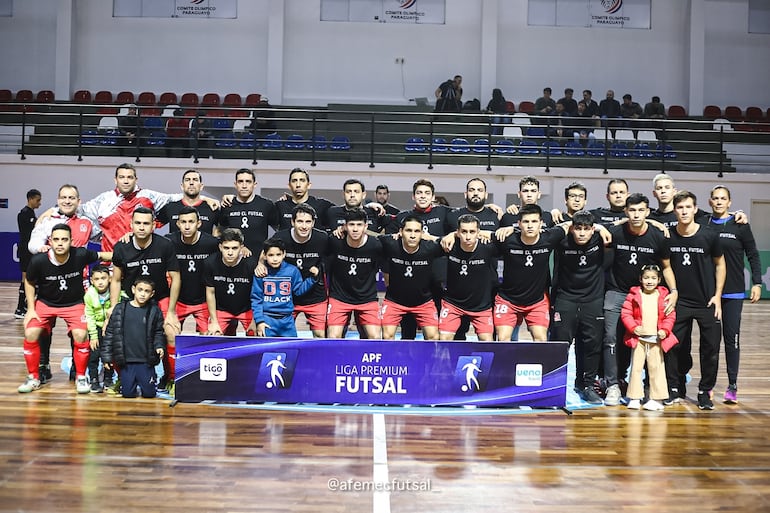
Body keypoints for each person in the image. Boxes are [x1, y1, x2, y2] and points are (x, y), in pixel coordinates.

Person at [602, 193, 677, 406]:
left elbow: (667, 266)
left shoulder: (658, 236)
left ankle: (645, 386)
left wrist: (674, 290)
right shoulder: (615, 232)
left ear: (647, 211)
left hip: (646, 296)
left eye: (640, 210)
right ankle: (614, 386)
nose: (636, 214)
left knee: (647, 341)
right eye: (632, 210)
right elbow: (592, 228)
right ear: (626, 212)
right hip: (616, 292)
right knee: (610, 338)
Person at [17, 223, 111, 394]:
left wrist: (129, 251)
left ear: (71, 241)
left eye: (64, 240)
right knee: (31, 332)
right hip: (46, 303)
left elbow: (105, 254)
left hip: (74, 303)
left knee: (81, 334)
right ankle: (33, 377)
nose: (60, 243)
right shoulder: (38, 260)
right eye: (56, 240)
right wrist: (31, 309)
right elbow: (29, 282)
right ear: (50, 241)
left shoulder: (80, 254)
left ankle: (81, 377)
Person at [664, 190, 725, 410]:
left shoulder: (709, 235)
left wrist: (717, 295)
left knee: (710, 349)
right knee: (673, 347)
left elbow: (720, 264)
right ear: (674, 210)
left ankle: (704, 391)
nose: (684, 211)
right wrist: (673, 291)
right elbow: (666, 265)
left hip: (706, 302)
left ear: (695, 209)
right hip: (680, 301)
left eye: (688, 207)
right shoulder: (668, 235)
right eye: (679, 207)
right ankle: (673, 388)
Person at [28, 184, 93, 383]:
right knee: (43, 328)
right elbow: (32, 245)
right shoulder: (48, 221)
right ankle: (43, 363)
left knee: (79, 330)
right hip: (52, 281)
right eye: (63, 197)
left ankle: (77, 366)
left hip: (78, 282)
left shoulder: (87, 222)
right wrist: (44, 248)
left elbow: (105, 237)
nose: (67, 201)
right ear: (57, 200)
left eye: (71, 198)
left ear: (78, 201)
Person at [110, 206, 181, 390]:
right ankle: (122, 377)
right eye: (138, 223)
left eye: (146, 224)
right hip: (131, 299)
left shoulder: (165, 245)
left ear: (154, 226)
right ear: (131, 225)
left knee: (171, 333)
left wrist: (172, 311)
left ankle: (171, 378)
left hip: (160, 298)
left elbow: (176, 277)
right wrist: (112, 307)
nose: (142, 227)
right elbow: (116, 280)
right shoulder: (121, 247)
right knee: (116, 334)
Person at [77, 162, 217, 253]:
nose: (126, 181)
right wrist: (55, 211)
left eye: (130, 177)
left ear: (136, 180)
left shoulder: (149, 196)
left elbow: (179, 197)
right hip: (110, 262)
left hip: (143, 258)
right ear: (116, 179)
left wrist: (205, 198)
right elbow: (78, 211)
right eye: (122, 177)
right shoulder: (103, 200)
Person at [706, 185, 762, 403]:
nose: (719, 202)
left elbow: (753, 255)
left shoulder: (740, 225)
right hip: (710, 293)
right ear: (710, 201)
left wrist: (756, 283)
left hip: (734, 293)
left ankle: (732, 386)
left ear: (729, 202)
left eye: (723, 199)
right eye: (715, 198)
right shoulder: (704, 223)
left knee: (732, 340)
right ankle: (707, 385)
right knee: (710, 342)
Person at [550, 210, 606, 405]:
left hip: (593, 299)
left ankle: (586, 385)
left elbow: (631, 223)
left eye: (587, 229)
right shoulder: (562, 241)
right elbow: (539, 228)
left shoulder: (601, 239)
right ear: (572, 228)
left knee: (590, 345)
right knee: (560, 343)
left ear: (593, 230)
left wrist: (600, 227)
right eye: (578, 229)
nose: (582, 233)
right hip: (566, 298)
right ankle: (554, 386)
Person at [493, 204, 569, 342]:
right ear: (519, 223)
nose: (530, 225)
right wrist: (452, 235)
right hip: (508, 300)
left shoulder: (550, 237)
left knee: (541, 339)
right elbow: (481, 233)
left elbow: (569, 225)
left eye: (534, 222)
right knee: (503, 339)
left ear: (541, 223)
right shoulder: (507, 239)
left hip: (536, 302)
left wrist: (599, 228)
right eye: (526, 222)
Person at [621, 264, 678, 411]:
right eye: (646, 278)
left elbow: (670, 316)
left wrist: (665, 330)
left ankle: (657, 399)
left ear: (659, 280)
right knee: (636, 369)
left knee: (657, 368)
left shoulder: (664, 296)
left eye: (653, 278)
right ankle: (634, 397)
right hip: (639, 340)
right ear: (640, 279)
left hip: (656, 340)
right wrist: (633, 328)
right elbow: (626, 314)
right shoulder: (633, 295)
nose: (649, 281)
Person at [270, 204, 330, 337]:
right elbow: (265, 254)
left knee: (320, 335)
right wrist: (260, 265)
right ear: (292, 222)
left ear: (313, 222)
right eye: (300, 221)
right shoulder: (280, 237)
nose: (304, 226)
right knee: (282, 336)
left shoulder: (323, 238)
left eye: (308, 222)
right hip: (287, 297)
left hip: (316, 296)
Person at [379, 216, 443, 340]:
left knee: (433, 337)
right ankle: (393, 360)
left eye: (417, 231)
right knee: (387, 336)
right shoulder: (390, 243)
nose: (412, 235)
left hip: (423, 302)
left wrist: (433, 238)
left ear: (422, 233)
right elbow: (366, 237)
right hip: (394, 301)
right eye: (408, 231)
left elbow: (452, 243)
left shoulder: (430, 247)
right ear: (401, 231)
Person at [101, 277, 166, 399]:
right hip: (127, 362)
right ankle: (124, 381)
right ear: (133, 289)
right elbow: (110, 333)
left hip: (146, 361)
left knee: (149, 394)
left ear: (152, 294)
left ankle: (148, 380)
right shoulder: (120, 309)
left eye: (147, 291)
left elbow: (158, 332)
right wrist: (106, 357)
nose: (143, 294)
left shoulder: (154, 311)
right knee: (128, 394)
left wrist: (159, 346)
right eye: (140, 290)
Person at [325, 208, 383, 339]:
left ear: (366, 226)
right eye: (351, 225)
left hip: (367, 298)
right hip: (340, 297)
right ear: (345, 226)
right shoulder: (335, 241)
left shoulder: (376, 245)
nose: (355, 229)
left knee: (375, 337)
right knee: (333, 337)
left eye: (359, 225)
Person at [439, 214, 497, 341]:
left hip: (481, 306)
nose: (468, 236)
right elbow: (427, 239)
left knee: (487, 342)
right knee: (443, 340)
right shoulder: (449, 245)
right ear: (458, 232)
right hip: (453, 304)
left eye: (472, 232)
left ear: (478, 233)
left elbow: (512, 240)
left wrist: (508, 230)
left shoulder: (488, 247)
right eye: (464, 232)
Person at [166, 206, 220, 335]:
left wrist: (244, 249)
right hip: (178, 300)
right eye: (183, 222)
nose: (187, 226)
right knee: (170, 332)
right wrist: (130, 235)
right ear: (178, 224)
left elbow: (230, 248)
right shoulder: (169, 241)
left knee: (210, 337)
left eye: (191, 222)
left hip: (203, 301)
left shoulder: (211, 243)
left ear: (199, 223)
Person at [251, 238, 319, 337]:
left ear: (284, 254)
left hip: (287, 321)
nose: (275, 259)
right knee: (268, 351)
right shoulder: (261, 272)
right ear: (264, 256)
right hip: (267, 320)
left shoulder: (292, 271)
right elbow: (256, 299)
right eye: (271, 255)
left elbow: (298, 291)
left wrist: (312, 279)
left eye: (278, 254)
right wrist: (259, 321)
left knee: (291, 349)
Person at [204, 228, 259, 336]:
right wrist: (214, 322)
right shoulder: (210, 263)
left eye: (234, 248)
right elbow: (210, 292)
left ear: (241, 248)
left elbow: (258, 295)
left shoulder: (251, 264)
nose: (230, 252)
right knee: (213, 335)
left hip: (246, 310)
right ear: (220, 247)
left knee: (256, 334)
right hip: (222, 309)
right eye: (226, 248)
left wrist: (254, 320)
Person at [218, 168, 279, 254]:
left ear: (255, 184)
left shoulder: (266, 205)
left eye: (248, 181)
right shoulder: (227, 205)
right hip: (234, 259)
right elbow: (220, 231)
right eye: (240, 181)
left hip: (259, 261)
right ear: (235, 184)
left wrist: (271, 248)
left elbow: (278, 229)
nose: (244, 185)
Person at [156, 169, 221, 235]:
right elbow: (152, 225)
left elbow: (223, 228)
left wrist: (214, 240)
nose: (191, 183)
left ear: (201, 186)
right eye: (187, 180)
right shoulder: (170, 207)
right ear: (182, 186)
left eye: (195, 180)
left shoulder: (212, 208)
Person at [84, 265, 114, 393]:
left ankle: (108, 379)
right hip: (96, 328)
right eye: (96, 279)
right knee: (94, 355)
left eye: (103, 278)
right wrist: (93, 335)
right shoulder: (89, 295)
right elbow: (89, 316)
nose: (100, 282)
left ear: (110, 279)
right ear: (91, 280)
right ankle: (94, 379)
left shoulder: (116, 292)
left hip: (111, 328)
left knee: (110, 354)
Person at [15, 188, 41, 319]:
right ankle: (20, 308)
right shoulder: (24, 214)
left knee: (32, 279)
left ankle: (25, 305)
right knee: (25, 279)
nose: (39, 203)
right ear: (30, 199)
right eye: (37, 200)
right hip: (26, 252)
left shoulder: (31, 214)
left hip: (30, 251)